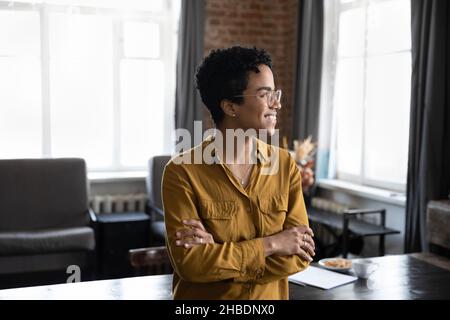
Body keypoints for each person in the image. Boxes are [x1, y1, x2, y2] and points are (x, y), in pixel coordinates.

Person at [162, 46, 315, 299]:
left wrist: (219, 256)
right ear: (231, 106)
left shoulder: (285, 165)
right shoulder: (181, 173)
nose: (276, 104)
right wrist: (272, 244)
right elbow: (192, 265)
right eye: (265, 95)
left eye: (276, 93)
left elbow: (300, 256)